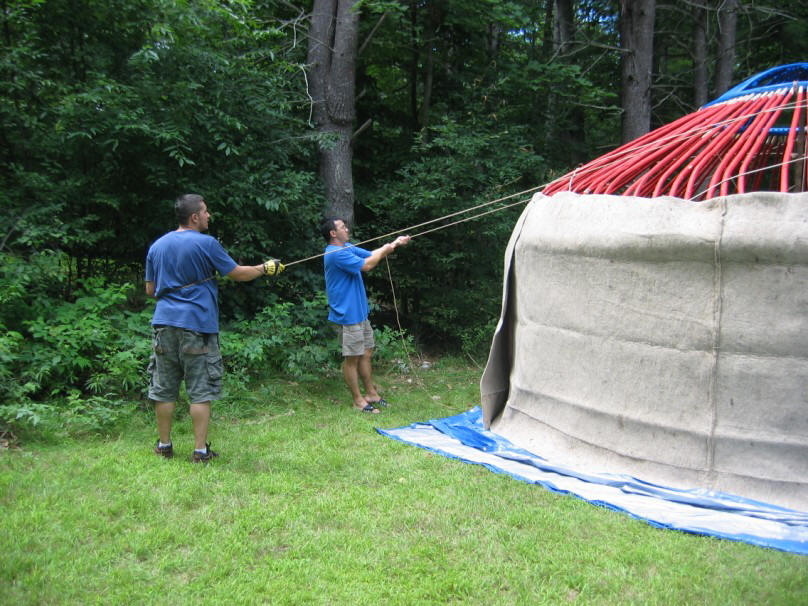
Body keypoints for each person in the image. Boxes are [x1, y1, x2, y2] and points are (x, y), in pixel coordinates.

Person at [145, 193, 284, 462]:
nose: (209, 216)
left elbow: (150, 290)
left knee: (164, 388)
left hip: (163, 324)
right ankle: (199, 451)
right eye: (206, 212)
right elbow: (237, 273)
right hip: (196, 324)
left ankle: (164, 446)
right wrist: (265, 268)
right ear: (194, 216)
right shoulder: (206, 243)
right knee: (200, 389)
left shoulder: (157, 246)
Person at [320, 217, 411, 413]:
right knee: (351, 358)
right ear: (333, 234)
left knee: (366, 353)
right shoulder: (335, 254)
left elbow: (370, 255)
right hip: (347, 315)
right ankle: (358, 400)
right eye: (342, 227)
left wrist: (393, 244)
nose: (347, 228)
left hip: (359, 313)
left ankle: (371, 393)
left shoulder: (347, 248)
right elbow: (367, 265)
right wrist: (387, 249)